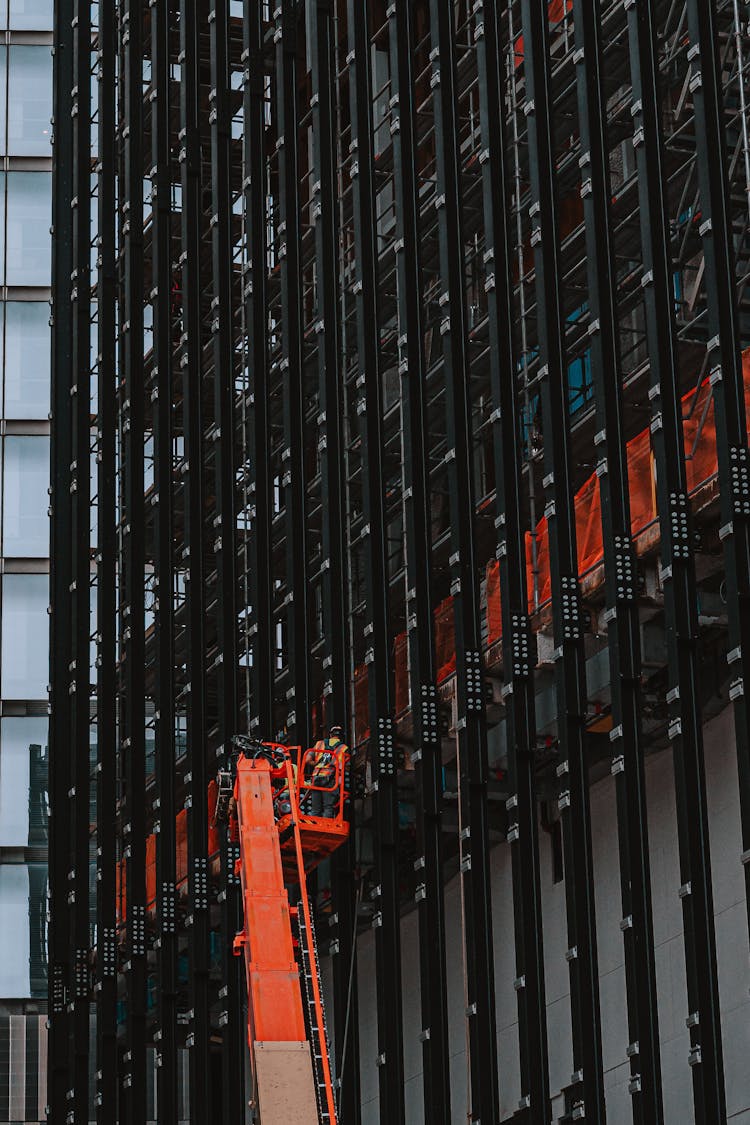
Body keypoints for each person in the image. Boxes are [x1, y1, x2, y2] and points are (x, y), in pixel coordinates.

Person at [305, 724, 349, 818]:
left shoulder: (319, 744)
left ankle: (314, 828)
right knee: (328, 808)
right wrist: (340, 785)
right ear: (341, 736)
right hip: (330, 778)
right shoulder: (344, 748)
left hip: (316, 777)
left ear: (330, 735)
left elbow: (307, 760)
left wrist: (317, 764)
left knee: (315, 809)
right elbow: (343, 767)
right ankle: (326, 829)